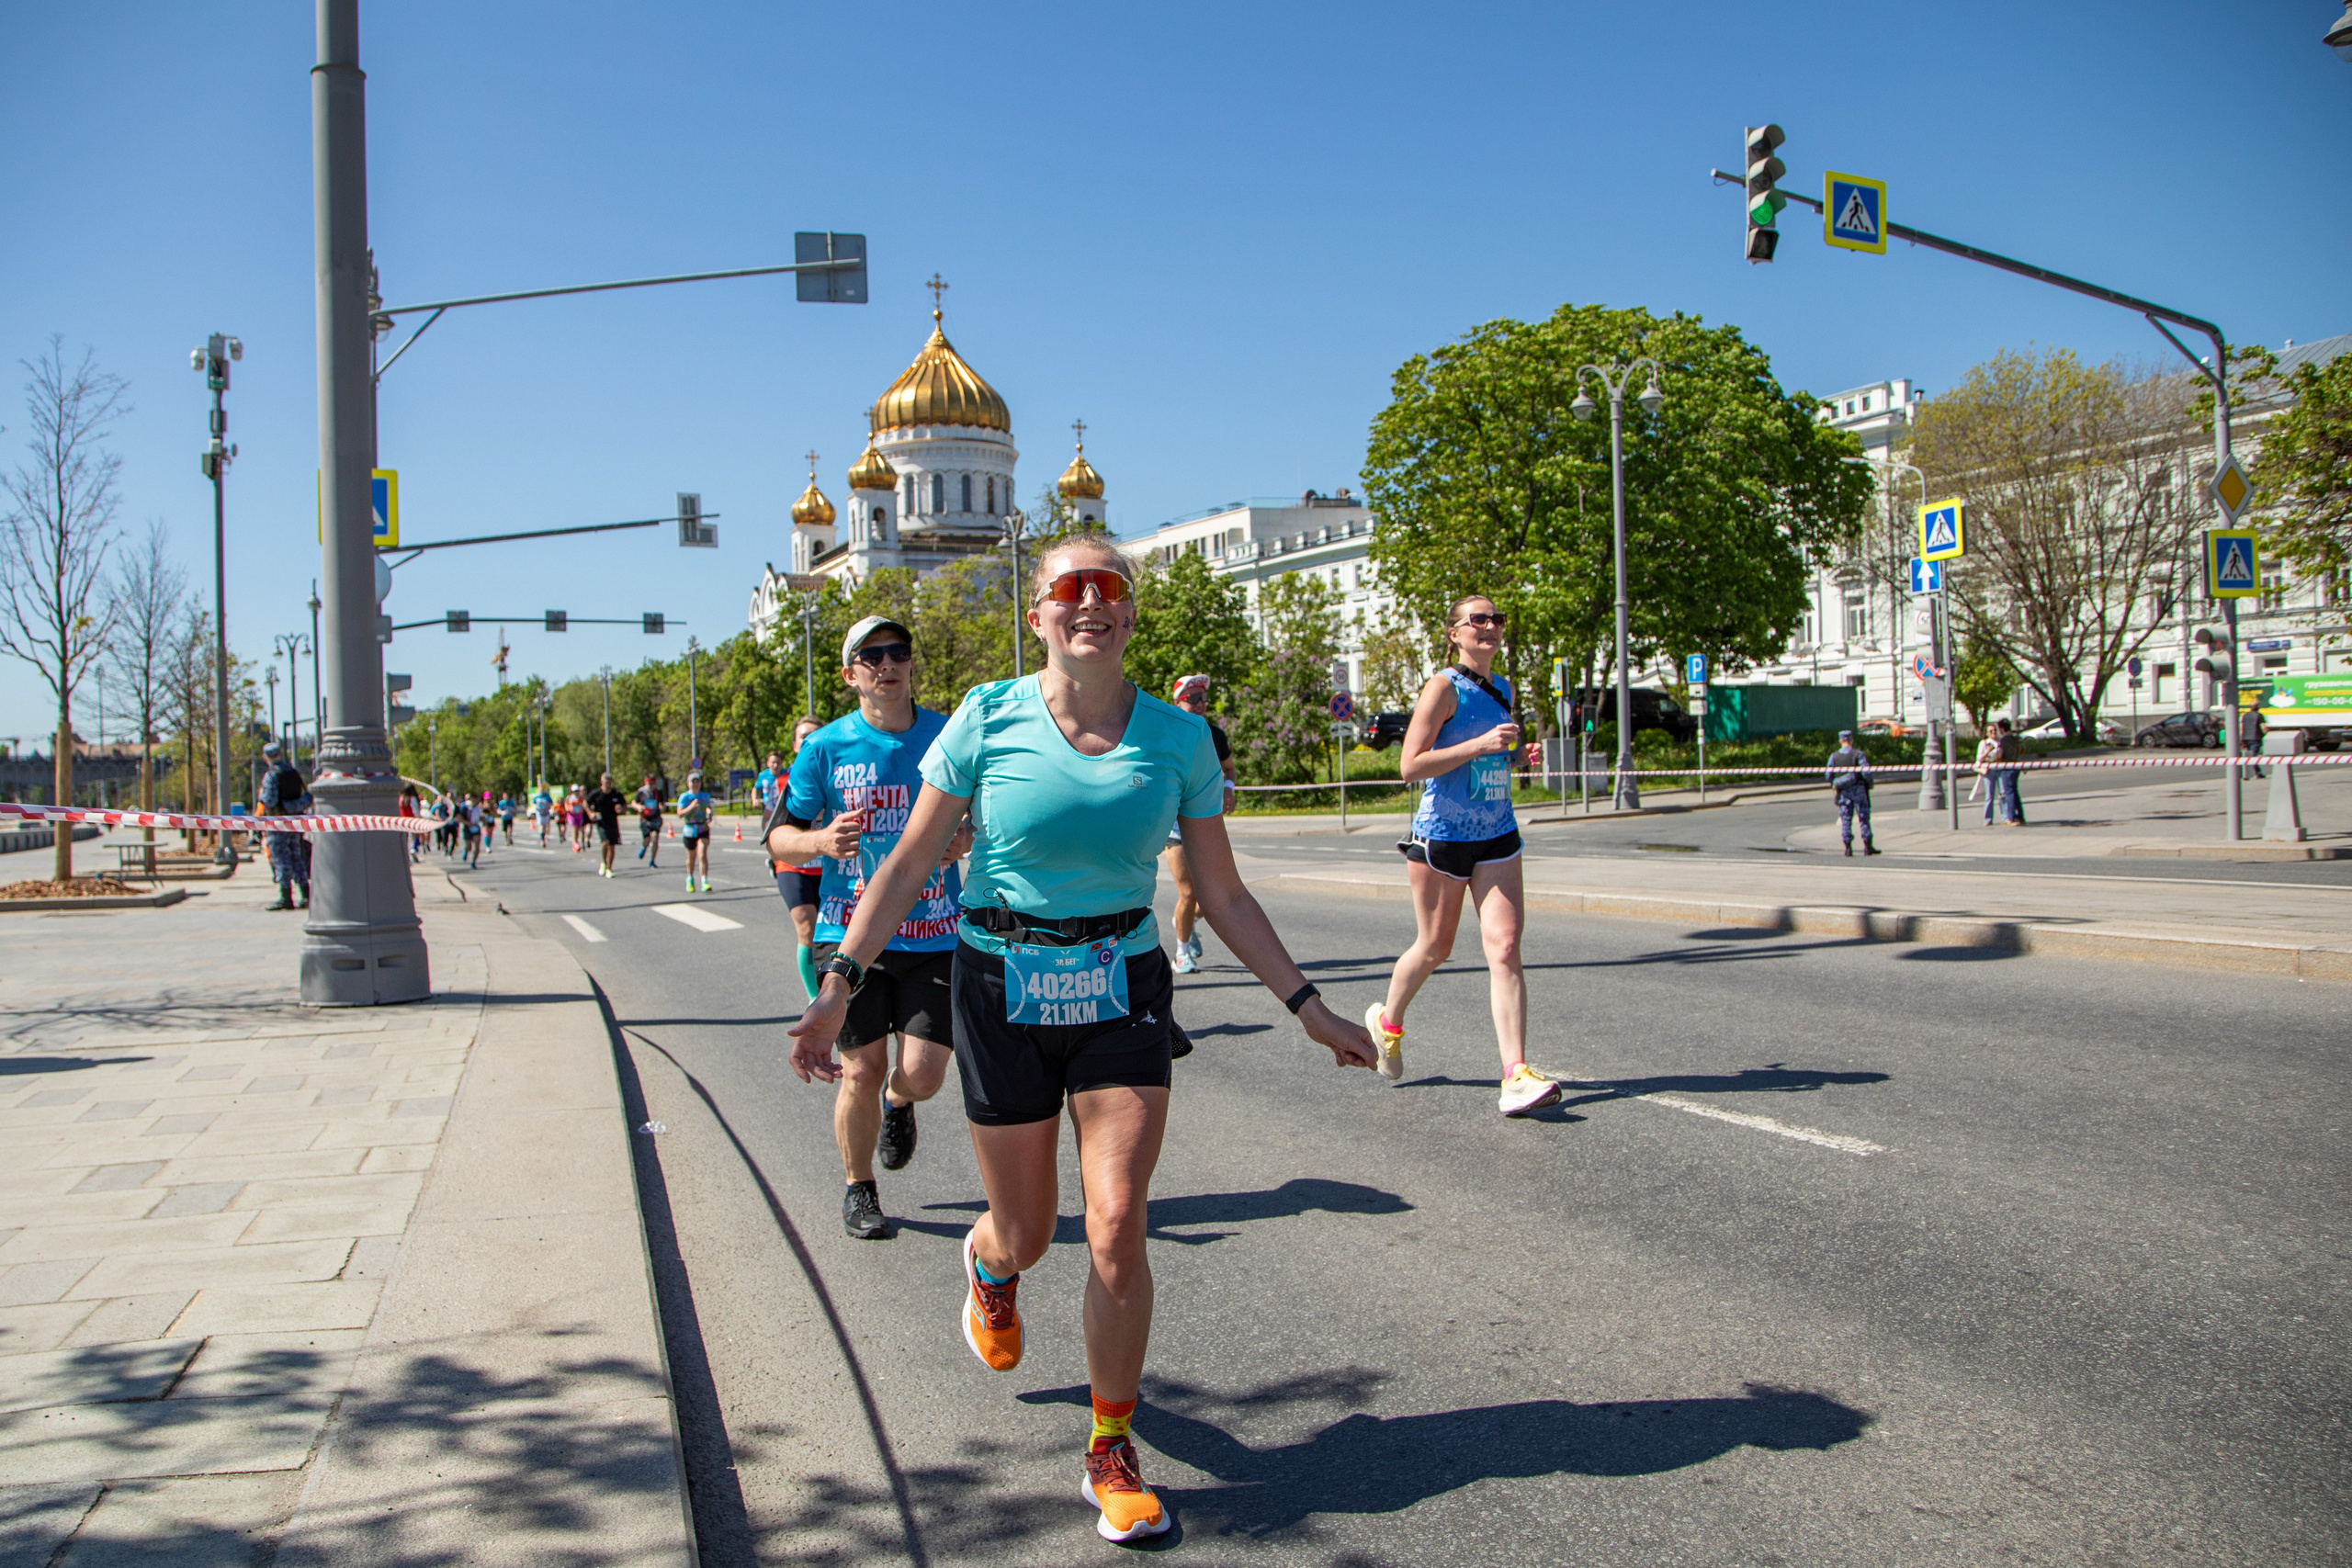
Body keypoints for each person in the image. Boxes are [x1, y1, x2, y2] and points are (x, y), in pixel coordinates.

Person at [787, 536, 1374, 1544]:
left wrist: (1307, 1005)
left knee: (1113, 1226)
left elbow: (1221, 890)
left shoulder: (1179, 739)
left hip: (1119, 986)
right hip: (1000, 983)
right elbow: (911, 860)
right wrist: (838, 981)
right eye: (1069, 589)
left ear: (1132, 614)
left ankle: (1110, 1444)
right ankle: (991, 1266)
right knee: (1023, 1224)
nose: (1090, 603)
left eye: (1109, 589)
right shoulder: (986, 716)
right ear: (1039, 613)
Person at [768, 618, 969, 1240]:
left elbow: (986, 820)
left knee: (927, 1072)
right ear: (851, 673)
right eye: (872, 655)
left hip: (936, 928)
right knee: (860, 1065)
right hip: (849, 931)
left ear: (911, 664)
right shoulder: (824, 748)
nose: (888, 664)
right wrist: (820, 839)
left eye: (898, 652)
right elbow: (779, 834)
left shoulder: (948, 735)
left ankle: (900, 1103)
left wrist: (962, 840)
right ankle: (859, 1188)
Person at [1363, 595, 1562, 1117]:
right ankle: (1389, 1022)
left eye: (1497, 619)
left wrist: (1519, 755)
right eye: (1478, 620)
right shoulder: (1442, 687)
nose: (1490, 627)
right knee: (1434, 946)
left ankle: (1515, 1073)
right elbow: (1411, 765)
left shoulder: (1504, 688)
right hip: (1443, 837)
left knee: (1505, 945)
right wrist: (1479, 746)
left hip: (1498, 831)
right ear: (1455, 633)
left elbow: (1496, 752)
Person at [1159, 674, 1238, 975]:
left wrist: (1228, 789)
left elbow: (1229, 769)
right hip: (1173, 829)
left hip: (1205, 825)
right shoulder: (1166, 734)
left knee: (1210, 898)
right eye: (1192, 698)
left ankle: (1186, 922)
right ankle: (1181, 955)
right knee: (1188, 892)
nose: (1200, 704)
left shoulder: (1214, 735)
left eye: (1203, 698)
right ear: (1177, 702)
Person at [772, 716, 826, 998]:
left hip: (829, 867)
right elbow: (773, 826)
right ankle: (813, 997)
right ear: (794, 745)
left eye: (815, 736)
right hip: (794, 866)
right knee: (806, 926)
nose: (808, 742)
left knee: (830, 936)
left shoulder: (838, 774)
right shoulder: (782, 780)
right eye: (803, 737)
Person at [257, 739, 312, 910]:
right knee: (296, 857)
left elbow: (269, 801)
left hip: (277, 823)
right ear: (280, 754)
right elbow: (306, 797)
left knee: (280, 859)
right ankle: (306, 895)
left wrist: (262, 797)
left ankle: (285, 896)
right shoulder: (293, 773)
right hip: (294, 823)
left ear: (265, 757)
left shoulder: (271, 775)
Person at [1826, 729, 1879, 857]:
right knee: (1864, 818)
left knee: (1846, 819)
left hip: (1844, 792)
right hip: (1858, 790)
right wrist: (1870, 783)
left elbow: (1828, 774)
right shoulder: (1858, 754)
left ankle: (1848, 847)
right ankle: (1867, 846)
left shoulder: (1834, 756)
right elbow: (1865, 771)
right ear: (1852, 740)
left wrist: (1836, 784)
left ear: (1840, 741)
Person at [677, 769, 716, 893]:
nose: (695, 784)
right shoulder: (685, 797)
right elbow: (680, 814)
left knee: (703, 853)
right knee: (691, 857)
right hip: (689, 828)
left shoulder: (705, 796)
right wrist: (691, 807)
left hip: (702, 827)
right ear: (688, 784)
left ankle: (704, 880)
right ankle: (690, 878)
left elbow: (708, 808)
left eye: (697, 782)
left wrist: (709, 814)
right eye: (693, 782)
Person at [585, 773, 625, 876]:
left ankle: (609, 868)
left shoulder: (616, 793)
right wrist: (590, 813)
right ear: (602, 782)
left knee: (612, 846)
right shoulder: (596, 793)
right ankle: (604, 862)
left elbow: (624, 804)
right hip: (601, 821)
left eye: (610, 782)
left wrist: (621, 809)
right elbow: (585, 803)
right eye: (606, 782)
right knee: (605, 842)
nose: (608, 785)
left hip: (613, 821)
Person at [635, 774, 665, 867]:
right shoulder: (641, 792)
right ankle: (644, 848)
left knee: (655, 838)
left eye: (653, 783)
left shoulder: (658, 792)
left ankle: (652, 860)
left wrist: (662, 807)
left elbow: (663, 803)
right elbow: (634, 802)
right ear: (645, 782)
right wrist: (638, 807)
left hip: (655, 818)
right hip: (645, 818)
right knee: (647, 840)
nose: (651, 785)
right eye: (649, 783)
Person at [399, 781, 423, 863]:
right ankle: (413, 849)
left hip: (403, 820)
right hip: (412, 820)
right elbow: (415, 810)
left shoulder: (401, 798)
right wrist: (419, 818)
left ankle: (406, 855)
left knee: (405, 838)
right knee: (415, 836)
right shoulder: (412, 799)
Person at [756, 750, 785, 814]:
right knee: (766, 823)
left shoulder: (786, 774)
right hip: (768, 808)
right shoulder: (763, 775)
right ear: (768, 763)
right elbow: (755, 789)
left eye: (778, 762)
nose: (776, 765)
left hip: (782, 807)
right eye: (773, 762)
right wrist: (754, 800)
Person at [532, 782, 553, 846]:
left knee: (545, 826)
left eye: (542, 789)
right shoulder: (536, 797)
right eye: (540, 789)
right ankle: (542, 840)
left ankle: (545, 836)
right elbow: (533, 804)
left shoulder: (547, 796)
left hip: (546, 813)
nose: (541, 791)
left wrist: (547, 804)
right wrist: (535, 808)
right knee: (541, 826)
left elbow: (551, 804)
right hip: (539, 813)